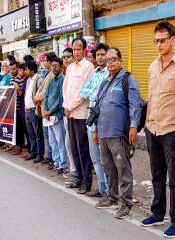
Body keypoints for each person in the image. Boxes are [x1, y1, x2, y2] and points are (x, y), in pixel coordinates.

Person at [140, 20, 175, 238]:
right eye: (156, 41)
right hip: (152, 130)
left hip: (172, 132)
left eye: (163, 40)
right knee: (156, 176)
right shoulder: (153, 66)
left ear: (172, 39)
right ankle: (158, 213)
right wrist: (146, 124)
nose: (159, 45)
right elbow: (152, 98)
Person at [94, 48, 142, 219]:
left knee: (123, 169)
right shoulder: (105, 82)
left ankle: (126, 203)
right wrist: (96, 130)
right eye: (108, 60)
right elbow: (99, 106)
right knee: (108, 167)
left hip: (119, 133)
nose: (110, 63)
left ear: (121, 61)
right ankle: (112, 197)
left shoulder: (128, 80)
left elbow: (135, 105)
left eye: (114, 59)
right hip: (104, 133)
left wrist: (134, 127)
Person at [62, 38, 95, 194]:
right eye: (74, 49)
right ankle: (78, 177)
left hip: (81, 114)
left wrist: (70, 106)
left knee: (83, 149)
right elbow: (66, 88)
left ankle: (87, 182)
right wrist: (66, 107)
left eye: (78, 49)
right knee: (73, 147)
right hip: (70, 114)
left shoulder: (89, 67)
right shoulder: (70, 68)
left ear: (84, 50)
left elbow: (84, 92)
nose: (76, 52)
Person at [80, 43, 110, 198]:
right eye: (97, 55)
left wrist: (93, 93)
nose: (99, 57)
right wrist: (94, 92)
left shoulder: (109, 74)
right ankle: (101, 188)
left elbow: (101, 96)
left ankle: (110, 192)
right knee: (95, 158)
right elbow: (83, 92)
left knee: (106, 159)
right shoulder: (96, 73)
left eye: (102, 54)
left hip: (104, 120)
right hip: (91, 119)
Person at [44, 57, 68, 174]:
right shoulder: (52, 80)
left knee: (60, 141)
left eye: (56, 65)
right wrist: (45, 110)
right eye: (52, 65)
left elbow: (60, 100)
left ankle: (63, 164)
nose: (54, 67)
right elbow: (47, 96)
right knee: (52, 141)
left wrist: (50, 111)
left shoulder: (63, 80)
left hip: (57, 115)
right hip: (49, 116)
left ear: (61, 66)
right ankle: (56, 162)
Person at [34, 51, 57, 165]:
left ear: (49, 61)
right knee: (48, 136)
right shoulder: (48, 74)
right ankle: (50, 157)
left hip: (50, 110)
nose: (43, 63)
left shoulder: (53, 75)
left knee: (52, 137)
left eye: (45, 61)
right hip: (44, 109)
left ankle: (53, 159)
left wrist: (36, 97)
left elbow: (46, 92)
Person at [24, 61, 45, 162]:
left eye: (27, 69)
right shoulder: (28, 80)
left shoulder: (39, 79)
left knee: (37, 134)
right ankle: (33, 152)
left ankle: (39, 154)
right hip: (27, 110)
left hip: (34, 110)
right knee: (30, 133)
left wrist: (37, 107)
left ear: (32, 70)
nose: (25, 71)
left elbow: (40, 95)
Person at [62, 47, 76, 178]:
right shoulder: (66, 72)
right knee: (68, 145)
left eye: (68, 56)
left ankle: (76, 171)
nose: (66, 59)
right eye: (64, 57)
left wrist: (70, 108)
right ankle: (73, 169)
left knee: (74, 146)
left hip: (76, 114)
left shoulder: (79, 71)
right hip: (66, 114)